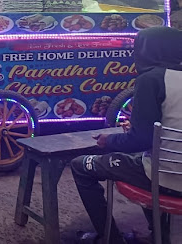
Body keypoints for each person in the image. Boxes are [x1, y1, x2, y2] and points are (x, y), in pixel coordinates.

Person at [71, 26, 182, 244]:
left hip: (167, 178)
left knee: (80, 165)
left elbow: (139, 139)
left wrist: (108, 141)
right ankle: (159, 233)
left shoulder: (151, 80)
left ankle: (110, 238)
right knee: (141, 160)